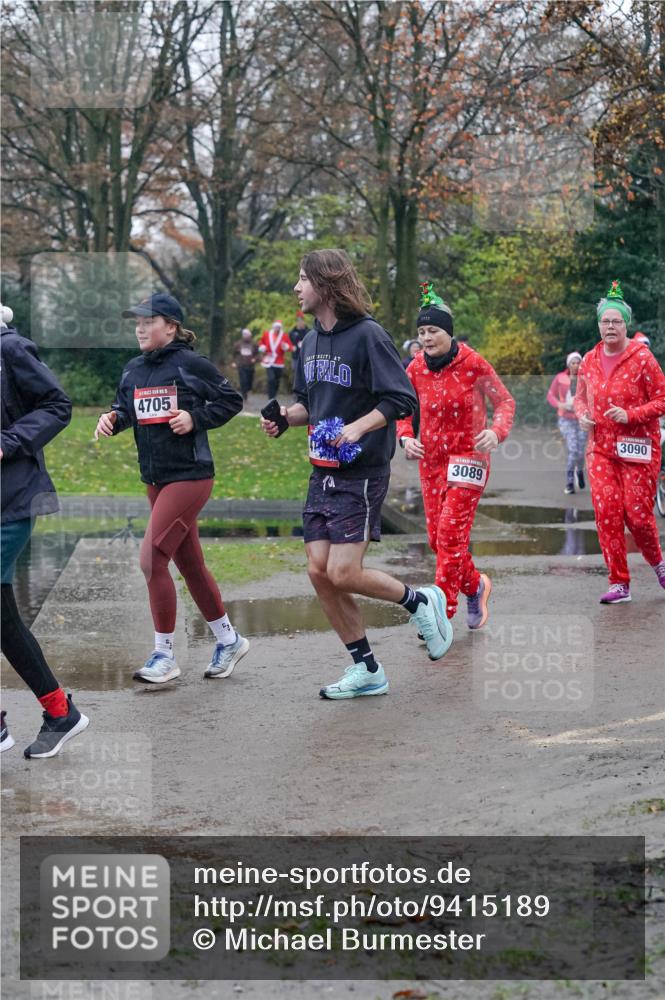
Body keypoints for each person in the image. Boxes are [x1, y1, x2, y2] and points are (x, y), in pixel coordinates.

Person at [261, 249, 453, 700]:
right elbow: (309, 405)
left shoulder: (368, 336)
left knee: (343, 571)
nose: (296, 287)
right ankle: (367, 669)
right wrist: (284, 418)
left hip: (361, 472)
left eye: (302, 279)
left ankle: (420, 601)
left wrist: (358, 428)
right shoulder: (307, 343)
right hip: (321, 470)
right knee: (318, 572)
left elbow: (402, 398)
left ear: (325, 285)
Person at [95, 293, 248, 681]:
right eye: (137, 322)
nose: (140, 328)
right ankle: (228, 640)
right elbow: (126, 410)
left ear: (172, 326)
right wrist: (112, 419)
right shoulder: (132, 369)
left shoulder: (190, 364)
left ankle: (164, 655)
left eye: (149, 321)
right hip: (156, 481)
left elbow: (231, 400)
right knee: (190, 565)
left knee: (150, 560)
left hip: (191, 476)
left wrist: (195, 418)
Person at [396, 282, 515, 629]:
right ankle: (476, 586)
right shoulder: (415, 368)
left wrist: (496, 431)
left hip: (469, 459)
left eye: (433, 330)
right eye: (421, 331)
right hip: (431, 462)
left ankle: (440, 616)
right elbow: (403, 410)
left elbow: (505, 401)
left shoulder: (473, 363)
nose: (427, 337)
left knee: (449, 535)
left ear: (448, 332)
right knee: (438, 540)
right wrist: (405, 438)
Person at [0, 302, 90, 758]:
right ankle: (60, 712)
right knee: (4, 622)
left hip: (11, 500)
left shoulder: (10, 348)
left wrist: (7, 442)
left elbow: (57, 405)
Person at [574, 280, 665, 603]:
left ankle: (658, 563)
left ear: (626, 325)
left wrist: (632, 415)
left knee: (638, 516)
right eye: (605, 321)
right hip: (600, 448)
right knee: (607, 511)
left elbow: (662, 399)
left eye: (616, 321)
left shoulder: (642, 358)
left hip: (639, 447)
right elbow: (580, 398)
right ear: (598, 324)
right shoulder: (589, 359)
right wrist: (583, 414)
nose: (610, 326)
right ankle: (619, 583)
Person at [546, 351, 587, 494]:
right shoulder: (560, 378)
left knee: (581, 453)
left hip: (582, 419)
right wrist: (559, 404)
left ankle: (579, 472)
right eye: (573, 363)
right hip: (565, 419)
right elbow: (550, 395)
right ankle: (569, 483)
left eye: (578, 362)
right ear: (569, 365)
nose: (576, 365)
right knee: (573, 449)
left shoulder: (586, 378)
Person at [258, 320, 294, 399]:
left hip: (279, 361)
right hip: (268, 360)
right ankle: (270, 396)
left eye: (279, 327)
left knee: (277, 380)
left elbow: (291, 347)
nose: (277, 329)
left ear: (280, 328)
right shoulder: (267, 334)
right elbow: (261, 342)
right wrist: (262, 347)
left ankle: (274, 394)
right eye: (276, 327)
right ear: (273, 327)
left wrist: (286, 347)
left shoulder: (284, 336)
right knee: (271, 379)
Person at [231, 327, 259, 401]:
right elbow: (233, 354)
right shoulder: (238, 344)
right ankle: (244, 395)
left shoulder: (254, 344)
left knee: (249, 381)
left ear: (250, 336)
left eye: (247, 335)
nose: (245, 336)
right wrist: (234, 362)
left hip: (250, 366)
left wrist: (255, 359)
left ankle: (248, 390)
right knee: (243, 380)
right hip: (241, 365)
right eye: (244, 334)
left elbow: (257, 354)